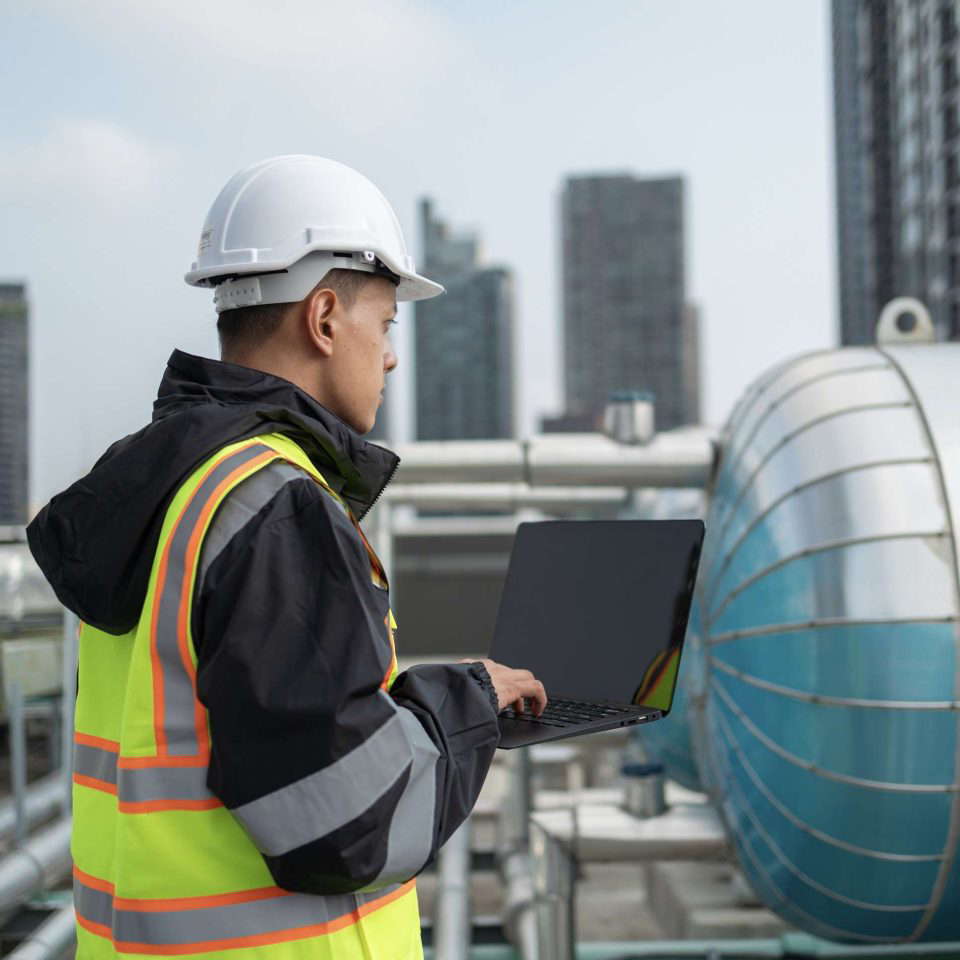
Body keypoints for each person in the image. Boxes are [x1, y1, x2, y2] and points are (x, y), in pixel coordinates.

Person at [27, 155, 547, 960]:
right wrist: (470, 700)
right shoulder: (274, 507)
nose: (391, 356)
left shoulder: (161, 486)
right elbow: (349, 827)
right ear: (326, 317)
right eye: (386, 325)